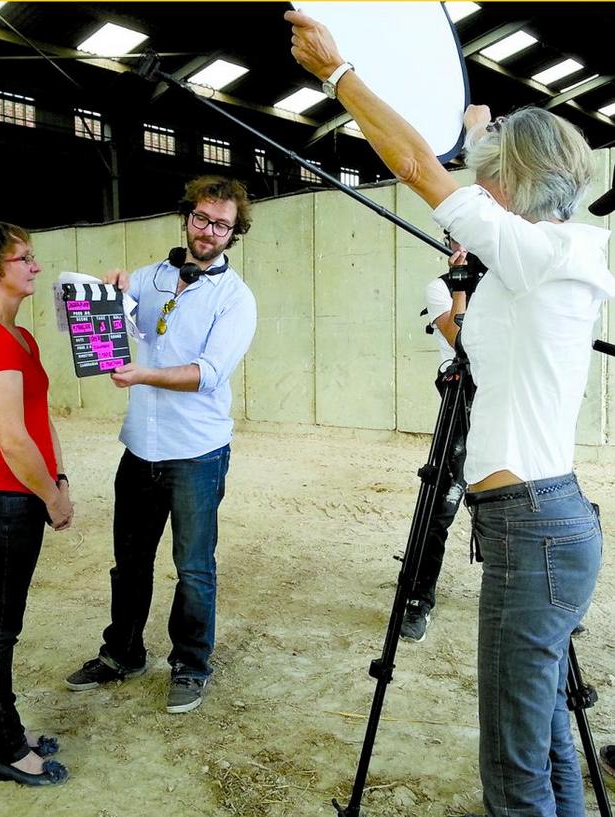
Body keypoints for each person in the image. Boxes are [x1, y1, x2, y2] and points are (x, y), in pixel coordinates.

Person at [286, 10, 614, 817]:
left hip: (531, 526)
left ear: (519, 183)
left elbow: (414, 164)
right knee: (537, 739)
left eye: (492, 176)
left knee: (510, 763)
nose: (480, 187)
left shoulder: (548, 253)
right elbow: (487, 336)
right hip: (537, 522)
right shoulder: (536, 260)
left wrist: (338, 76)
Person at [66, 175, 256, 714]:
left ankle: (191, 665)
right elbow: (98, 336)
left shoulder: (236, 299)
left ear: (233, 232)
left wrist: (143, 375)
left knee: (194, 567)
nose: (208, 231)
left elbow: (208, 373)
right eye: (202, 219)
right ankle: (122, 654)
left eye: (221, 225)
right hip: (140, 447)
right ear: (187, 216)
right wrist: (103, 300)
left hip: (196, 452)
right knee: (129, 562)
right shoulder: (148, 278)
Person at [0, 222, 73, 786]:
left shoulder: (20, 338)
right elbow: (10, 439)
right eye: (24, 258)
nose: (35, 266)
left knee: (8, 624)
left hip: (23, 493)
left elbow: (39, 419)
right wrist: (50, 496)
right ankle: (4, 749)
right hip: (3, 498)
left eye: (33, 256)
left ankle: (7, 727)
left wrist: (62, 478)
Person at [401, 245, 469, 643]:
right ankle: (418, 597)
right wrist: (461, 285)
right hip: (460, 394)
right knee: (441, 500)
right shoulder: (440, 288)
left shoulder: (506, 280)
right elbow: (462, 340)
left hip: (505, 400)